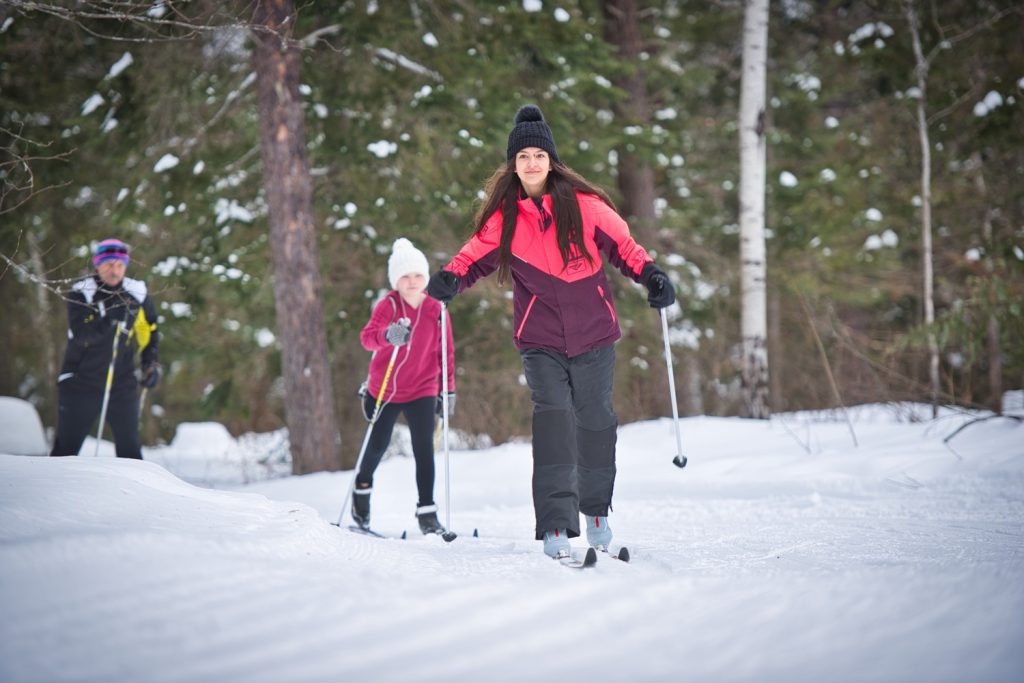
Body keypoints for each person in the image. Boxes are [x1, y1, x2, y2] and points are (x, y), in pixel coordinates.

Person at [426, 104, 676, 559]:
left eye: (539, 155)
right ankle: (557, 526)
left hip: (594, 333)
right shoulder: (505, 219)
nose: (532, 163)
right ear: (513, 165)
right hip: (540, 339)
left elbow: (626, 248)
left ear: (552, 160)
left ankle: (596, 513)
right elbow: (471, 258)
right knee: (554, 420)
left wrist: (653, 276)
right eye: (523, 157)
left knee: (595, 420)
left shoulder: (586, 207)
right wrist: (449, 279)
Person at [353, 237, 456, 535]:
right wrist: (387, 335)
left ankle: (427, 513)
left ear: (426, 278)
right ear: (395, 280)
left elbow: (446, 353)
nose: (412, 282)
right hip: (386, 389)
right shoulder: (389, 305)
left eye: (418, 275)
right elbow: (367, 338)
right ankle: (361, 493)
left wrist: (448, 390)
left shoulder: (437, 309)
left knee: (424, 449)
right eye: (405, 276)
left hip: (423, 387)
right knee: (377, 445)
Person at [50, 238, 161, 459]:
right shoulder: (82, 292)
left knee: (131, 450)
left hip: (122, 382)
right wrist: (109, 319)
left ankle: (133, 483)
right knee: (66, 450)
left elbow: (149, 332)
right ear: (97, 264)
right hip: (81, 381)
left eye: (120, 265)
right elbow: (81, 335)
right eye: (109, 264)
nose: (114, 270)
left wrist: (150, 364)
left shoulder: (136, 293)